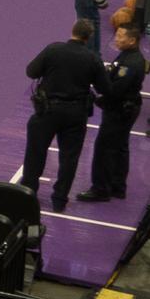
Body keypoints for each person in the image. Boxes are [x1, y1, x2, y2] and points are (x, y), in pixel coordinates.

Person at [21, 19, 105, 212]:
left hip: (48, 110)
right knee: (69, 157)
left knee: (35, 153)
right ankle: (59, 199)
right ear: (88, 37)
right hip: (76, 114)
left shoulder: (54, 50)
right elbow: (104, 87)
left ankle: (28, 193)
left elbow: (31, 71)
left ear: (72, 31)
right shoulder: (92, 59)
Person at [73, 23, 148, 204]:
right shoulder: (128, 56)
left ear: (132, 40)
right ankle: (117, 186)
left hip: (119, 110)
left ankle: (100, 189)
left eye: (121, 36)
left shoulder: (130, 63)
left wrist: (98, 98)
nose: (116, 38)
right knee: (120, 148)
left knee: (104, 149)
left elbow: (115, 90)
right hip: (124, 107)